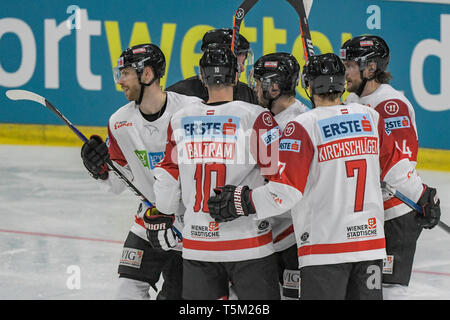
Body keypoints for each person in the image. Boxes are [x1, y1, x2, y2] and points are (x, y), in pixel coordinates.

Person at [207, 53, 441, 300]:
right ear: (341, 84)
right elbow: (397, 171)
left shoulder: (302, 126)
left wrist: (243, 201)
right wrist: (423, 196)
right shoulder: (370, 118)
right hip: (368, 246)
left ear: (308, 86)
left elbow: (286, 192)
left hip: (324, 248)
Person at [152, 44, 281, 300]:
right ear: (236, 76)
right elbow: (279, 176)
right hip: (249, 246)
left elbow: (167, 177)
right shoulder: (257, 116)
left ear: (202, 76)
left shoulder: (180, 119)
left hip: (199, 247)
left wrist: (164, 214)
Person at [80, 43, 201, 299]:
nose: (120, 81)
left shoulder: (192, 111)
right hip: (150, 217)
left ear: (147, 74)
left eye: (125, 73)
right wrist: (99, 169)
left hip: (193, 226)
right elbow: (117, 182)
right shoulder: (119, 122)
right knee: (127, 290)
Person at [340, 35, 439, 299]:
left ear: (371, 68)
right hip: (369, 214)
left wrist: (421, 195)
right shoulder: (351, 103)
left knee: (390, 291)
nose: (344, 71)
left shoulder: (390, 105)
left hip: (396, 213)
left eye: (349, 65)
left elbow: (401, 163)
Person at [249, 52, 309, 299]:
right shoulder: (272, 117)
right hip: (273, 230)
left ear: (273, 87)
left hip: (295, 234)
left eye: (258, 82)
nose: (254, 87)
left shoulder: (297, 124)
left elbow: (286, 185)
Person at [166, 28, 258, 104]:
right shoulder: (178, 95)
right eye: (238, 64)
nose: (242, 69)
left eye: (243, 63)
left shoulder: (248, 94)